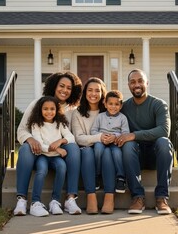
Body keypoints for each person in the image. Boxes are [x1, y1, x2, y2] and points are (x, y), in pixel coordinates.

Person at [14, 71, 82, 216]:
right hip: (38, 149)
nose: (64, 90)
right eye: (61, 86)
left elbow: (70, 136)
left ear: (73, 91)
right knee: (25, 149)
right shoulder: (38, 104)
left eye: (69, 88)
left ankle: (70, 199)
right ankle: (22, 199)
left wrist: (61, 143)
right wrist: (30, 139)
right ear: (54, 86)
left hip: (59, 152)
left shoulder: (71, 111)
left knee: (74, 149)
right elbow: (21, 130)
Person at [116, 69, 173, 215]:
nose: (137, 84)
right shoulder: (124, 107)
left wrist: (134, 135)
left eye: (140, 81)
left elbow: (163, 130)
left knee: (164, 142)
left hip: (156, 154)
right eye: (133, 81)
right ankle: (137, 197)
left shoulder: (158, 104)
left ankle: (161, 197)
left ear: (147, 83)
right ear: (128, 85)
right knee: (128, 146)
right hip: (136, 156)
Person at [71, 77, 116, 214]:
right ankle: (91, 196)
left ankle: (109, 196)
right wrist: (99, 137)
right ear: (85, 93)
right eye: (90, 90)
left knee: (108, 153)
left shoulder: (109, 111)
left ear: (103, 93)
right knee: (87, 152)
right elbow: (78, 138)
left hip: (105, 149)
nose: (93, 94)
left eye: (97, 90)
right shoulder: (78, 113)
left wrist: (110, 138)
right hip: (87, 150)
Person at [25, 96, 74, 216]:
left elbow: (71, 137)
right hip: (42, 155)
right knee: (42, 170)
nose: (49, 112)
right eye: (45, 109)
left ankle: (55, 202)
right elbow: (39, 144)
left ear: (57, 110)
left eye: (52, 109)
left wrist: (61, 141)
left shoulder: (60, 123)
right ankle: (35, 203)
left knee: (62, 167)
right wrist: (56, 148)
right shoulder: (36, 124)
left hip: (56, 157)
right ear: (40, 110)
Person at [90, 90, 129, 194]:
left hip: (115, 142)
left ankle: (121, 178)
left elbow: (125, 133)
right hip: (101, 140)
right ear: (105, 104)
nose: (113, 107)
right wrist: (101, 137)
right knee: (98, 149)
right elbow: (93, 130)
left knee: (117, 153)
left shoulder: (122, 118)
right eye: (110, 104)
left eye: (117, 104)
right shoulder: (100, 116)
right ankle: (96, 175)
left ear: (121, 106)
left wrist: (114, 136)